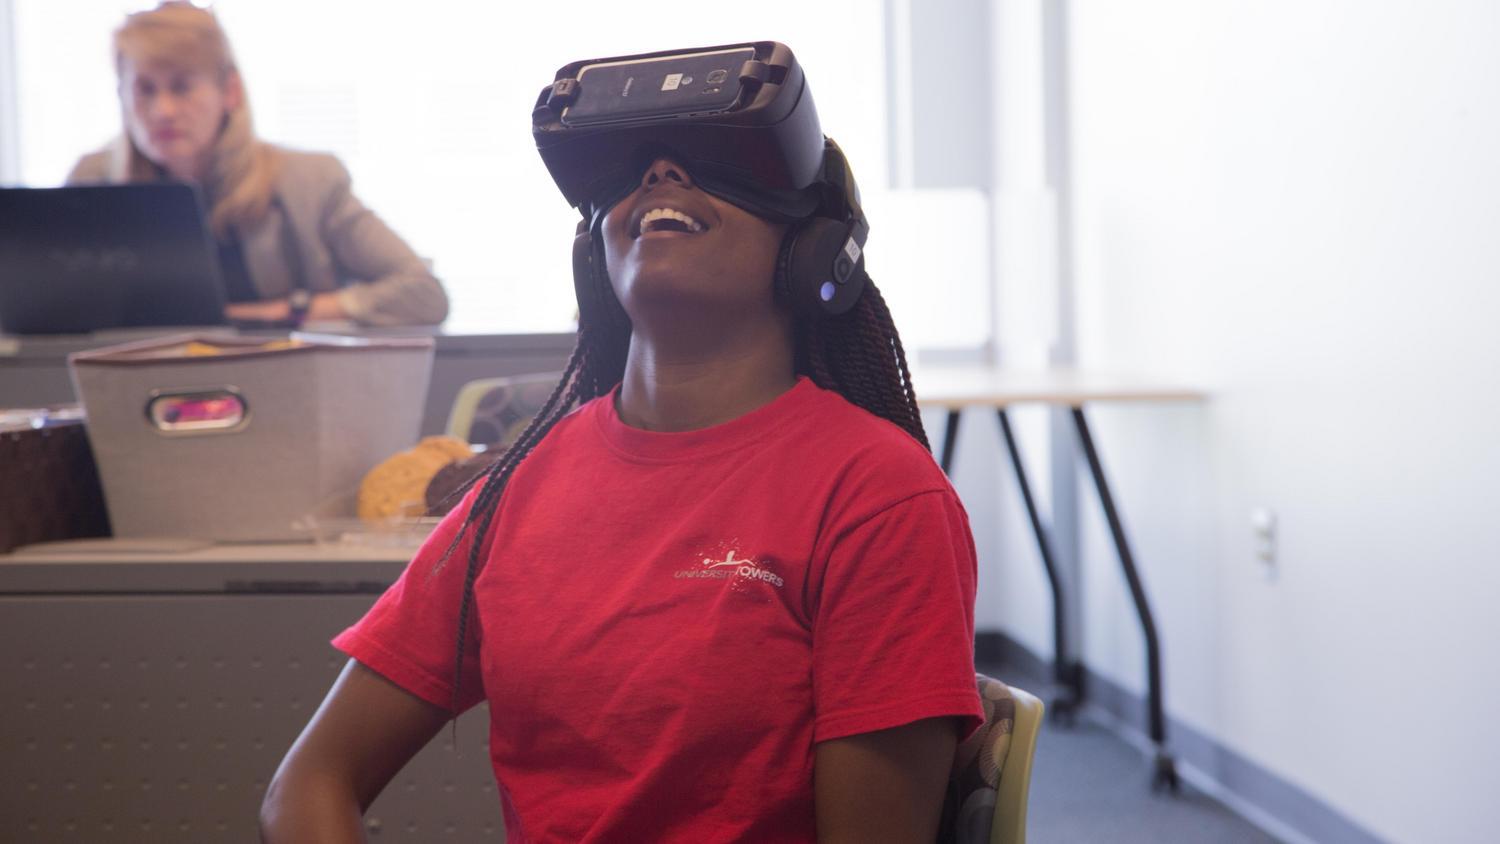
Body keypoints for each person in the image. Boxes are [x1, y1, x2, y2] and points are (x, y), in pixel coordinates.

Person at [261, 45, 982, 842]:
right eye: (635, 171)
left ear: (815, 248)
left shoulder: (879, 496)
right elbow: (310, 780)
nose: (661, 174)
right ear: (593, 253)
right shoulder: (519, 491)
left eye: (713, 162)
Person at [67, 2, 448, 327]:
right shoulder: (91, 183)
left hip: (275, 383)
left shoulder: (310, 182)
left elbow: (422, 293)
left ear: (230, 92)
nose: (163, 110)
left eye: (182, 87)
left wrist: (286, 312)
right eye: (144, 89)